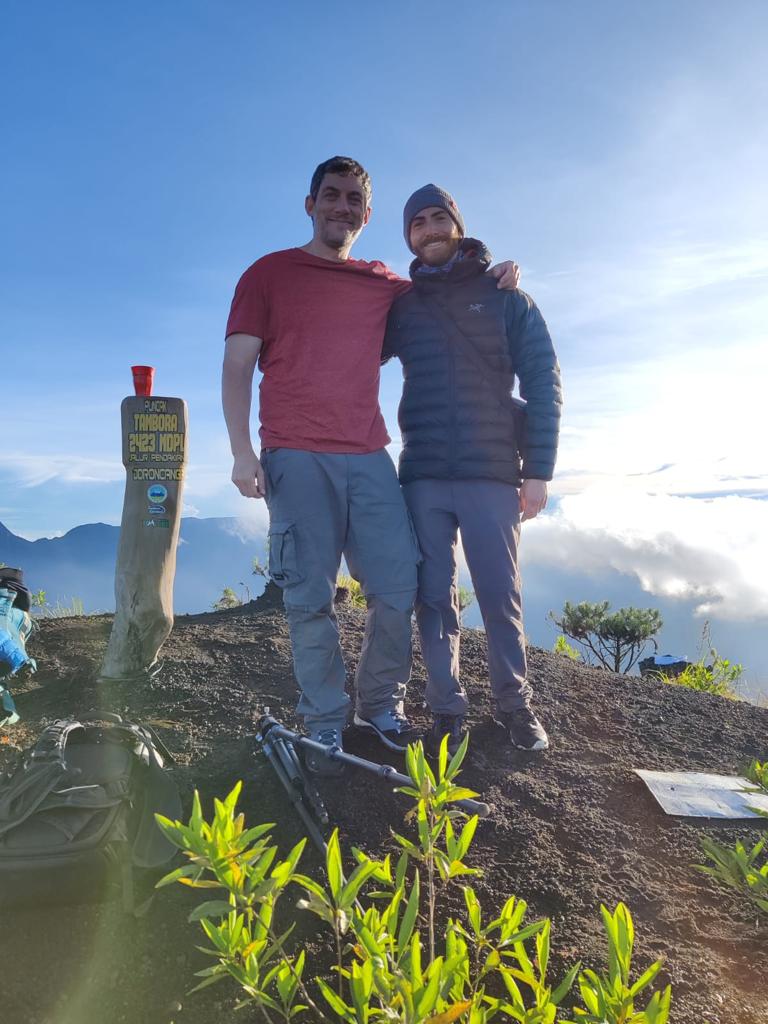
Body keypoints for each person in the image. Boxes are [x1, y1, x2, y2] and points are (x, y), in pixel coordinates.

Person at [221, 158, 519, 773]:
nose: (342, 207)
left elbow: (446, 283)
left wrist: (495, 274)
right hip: (294, 453)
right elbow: (236, 364)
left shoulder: (384, 285)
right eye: (331, 196)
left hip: (368, 453)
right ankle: (325, 721)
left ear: (367, 213)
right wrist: (241, 452)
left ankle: (377, 706)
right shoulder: (269, 273)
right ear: (310, 204)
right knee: (309, 597)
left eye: (353, 199)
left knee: (399, 585)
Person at [383, 184, 562, 756]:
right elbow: (350, 341)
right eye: (419, 223)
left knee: (498, 594)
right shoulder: (402, 306)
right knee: (433, 597)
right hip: (424, 474)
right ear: (408, 235)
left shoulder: (509, 298)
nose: (430, 229)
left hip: (493, 471)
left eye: (440, 218)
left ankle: (515, 707)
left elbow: (543, 384)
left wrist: (538, 471)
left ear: (458, 226)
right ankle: (446, 710)